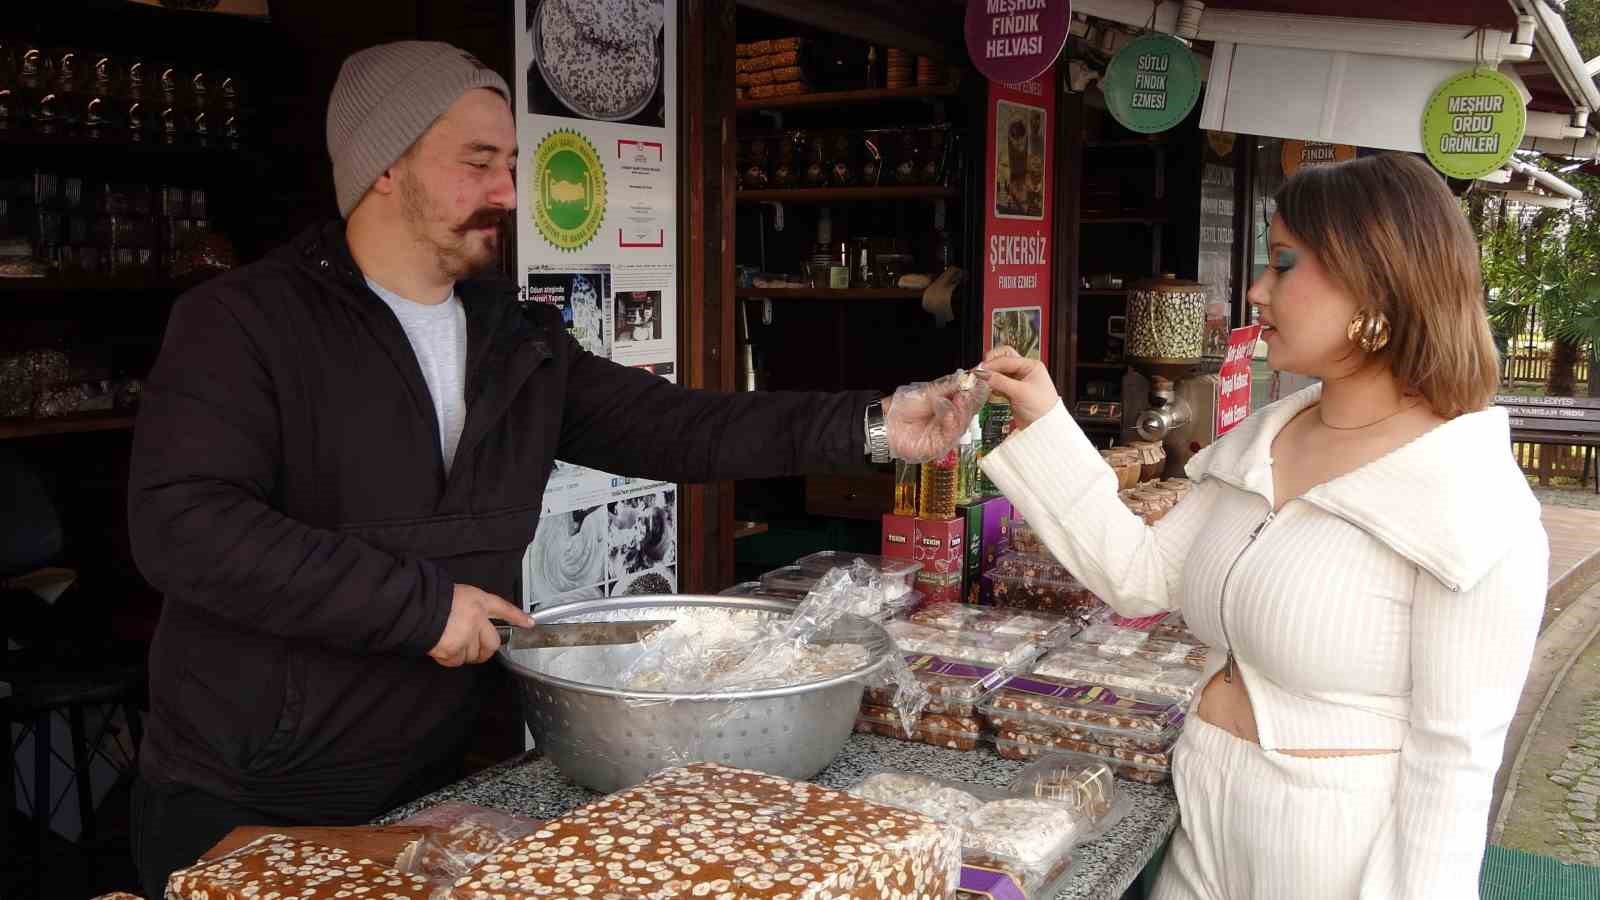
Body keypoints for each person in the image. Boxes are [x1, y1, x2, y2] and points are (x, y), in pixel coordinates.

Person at [125, 41, 983, 896]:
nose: (505, 193)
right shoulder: (243, 323)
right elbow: (184, 524)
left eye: (510, 164)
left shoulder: (517, 337)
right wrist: (419, 607)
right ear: (384, 167)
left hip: (447, 782)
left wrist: (872, 425)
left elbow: (678, 427)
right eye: (477, 163)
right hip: (259, 791)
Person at [979, 152, 1547, 899]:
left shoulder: (1472, 502)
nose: (1256, 290)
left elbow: (1455, 765)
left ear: (1377, 281)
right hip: (1204, 810)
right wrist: (1046, 419)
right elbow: (1138, 573)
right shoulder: (1263, 443)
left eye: (1284, 264)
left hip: (1333, 856)